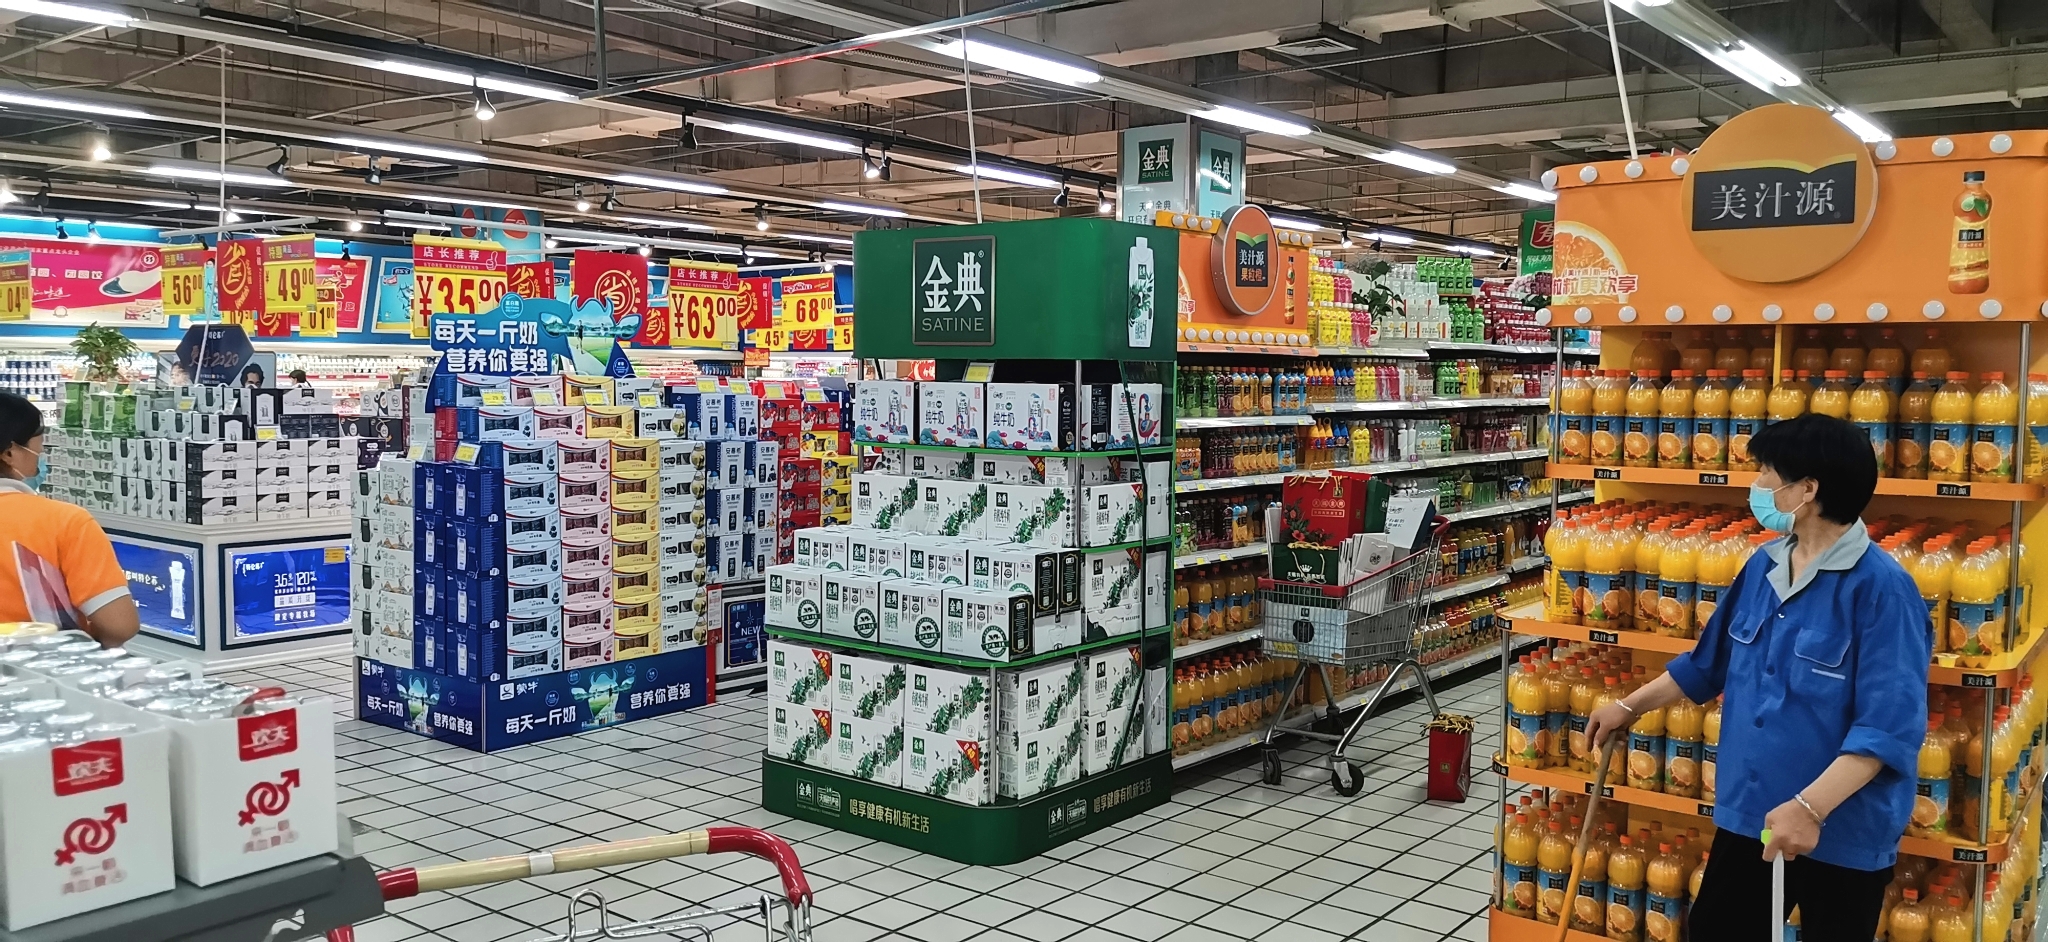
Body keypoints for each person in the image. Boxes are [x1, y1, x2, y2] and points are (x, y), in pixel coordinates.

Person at [1585, 414, 1928, 941]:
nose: (1758, 484)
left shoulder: (1883, 591)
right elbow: (1707, 665)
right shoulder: (1764, 566)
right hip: (1754, 814)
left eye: (1768, 472)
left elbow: (1887, 730)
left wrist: (1810, 808)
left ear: (1807, 490)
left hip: (1841, 829)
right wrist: (1628, 707)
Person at [0, 393, 138, 645]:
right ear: (9, 453)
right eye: (39, 442)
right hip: (37, 665)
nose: (41, 452)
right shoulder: (65, 522)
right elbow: (119, 625)